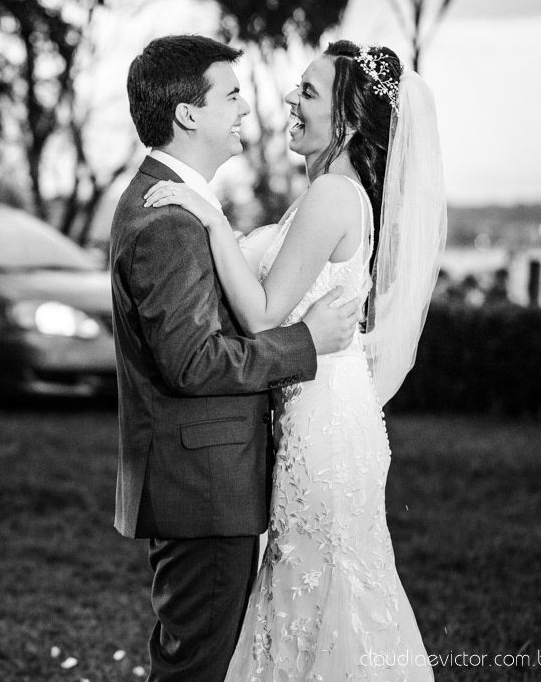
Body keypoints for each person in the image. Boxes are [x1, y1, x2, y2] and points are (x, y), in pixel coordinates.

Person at [144, 39, 445, 681]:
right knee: (310, 595)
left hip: (322, 428)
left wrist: (210, 220)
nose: (289, 99)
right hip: (315, 410)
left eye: (307, 91)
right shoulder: (329, 193)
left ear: (347, 120)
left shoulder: (333, 194)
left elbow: (261, 314)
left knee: (330, 593)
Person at [110, 34, 364, 682]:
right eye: (230, 95)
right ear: (188, 114)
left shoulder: (175, 203)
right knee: (196, 669)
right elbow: (194, 363)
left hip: (209, 481)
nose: (246, 108)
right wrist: (306, 342)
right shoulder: (168, 219)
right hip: (203, 488)